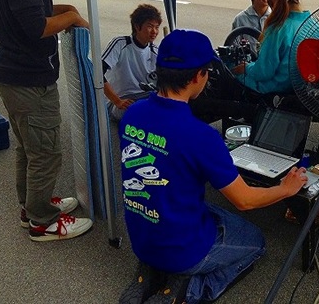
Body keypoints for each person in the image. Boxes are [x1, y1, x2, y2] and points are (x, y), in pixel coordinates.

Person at [119, 29, 307, 304]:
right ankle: (188, 290)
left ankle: (154, 273)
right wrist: (286, 189)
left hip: (143, 239)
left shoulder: (132, 113)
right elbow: (244, 201)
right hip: (182, 250)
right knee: (255, 241)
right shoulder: (200, 135)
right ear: (198, 76)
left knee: (211, 210)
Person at [0, 0, 93, 241]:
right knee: (46, 151)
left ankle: (32, 207)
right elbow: (36, 26)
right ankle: (42, 221)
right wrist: (73, 17)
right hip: (27, 78)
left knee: (29, 148)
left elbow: (30, 10)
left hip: (12, 73)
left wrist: (65, 8)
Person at [232, 0, 311, 94]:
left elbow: (263, 72)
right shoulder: (312, 24)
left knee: (232, 75)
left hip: (276, 88)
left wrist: (246, 68)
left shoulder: (277, 28)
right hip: (303, 87)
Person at [101, 4, 161, 121]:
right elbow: (97, 72)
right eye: (150, 26)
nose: (154, 31)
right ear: (137, 26)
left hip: (146, 97)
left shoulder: (155, 51)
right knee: (142, 114)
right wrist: (117, 101)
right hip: (121, 100)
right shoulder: (120, 44)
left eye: (157, 27)